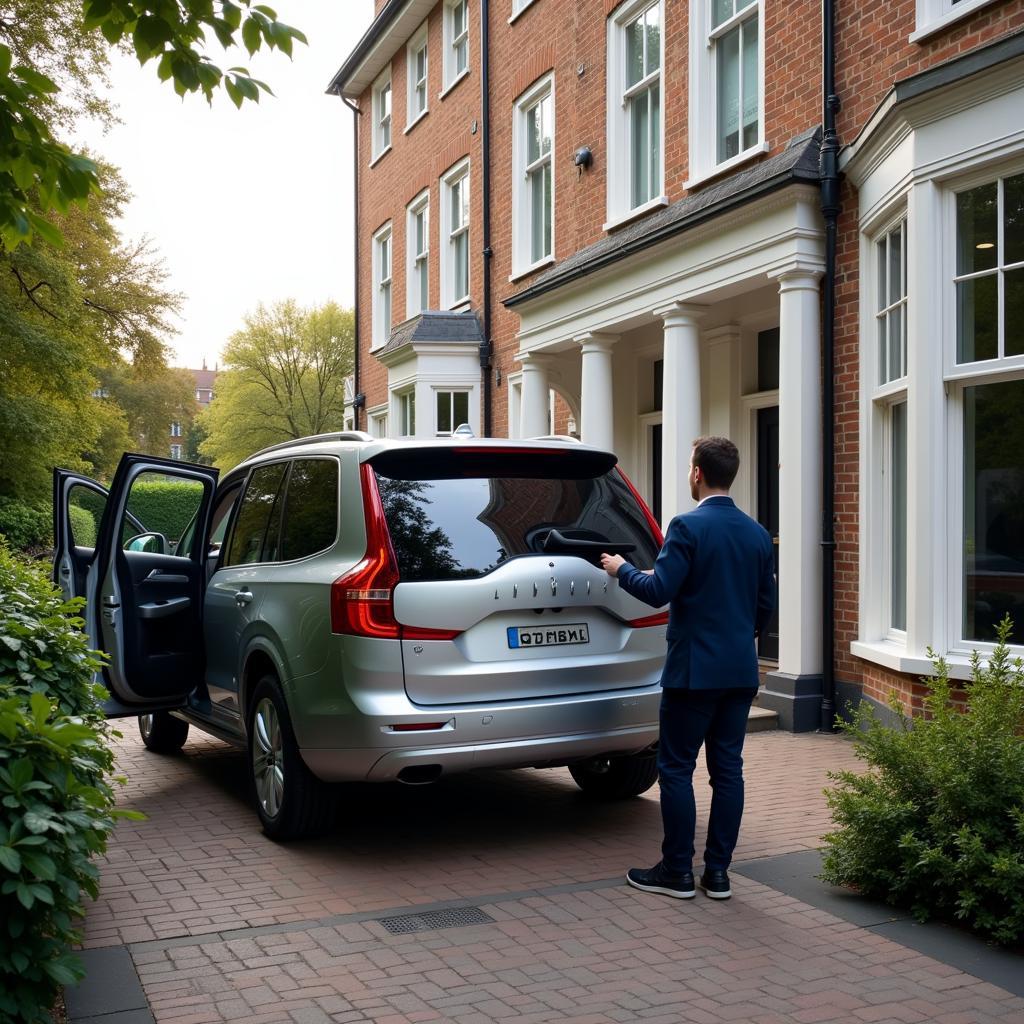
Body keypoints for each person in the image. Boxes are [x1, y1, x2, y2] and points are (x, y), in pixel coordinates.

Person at [600, 436, 776, 901]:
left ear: (697, 472)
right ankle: (717, 874)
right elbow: (765, 608)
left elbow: (659, 590)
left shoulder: (687, 527)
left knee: (676, 769)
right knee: (728, 772)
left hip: (693, 672)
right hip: (739, 671)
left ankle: (677, 871)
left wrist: (620, 569)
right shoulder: (758, 534)